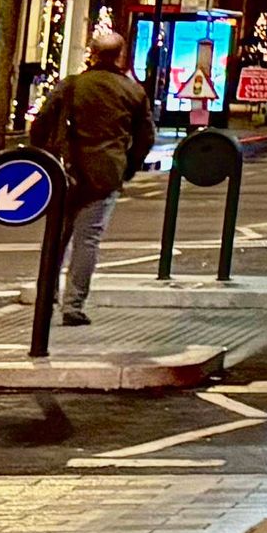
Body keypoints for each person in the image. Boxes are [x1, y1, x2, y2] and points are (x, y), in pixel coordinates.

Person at [30, 24, 157, 328]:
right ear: (120, 56)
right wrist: (128, 166)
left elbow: (41, 124)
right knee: (87, 240)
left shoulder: (70, 85)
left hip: (64, 172)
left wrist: (42, 158)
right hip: (106, 174)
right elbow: (146, 137)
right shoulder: (133, 91)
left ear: (93, 55)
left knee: (56, 240)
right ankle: (73, 306)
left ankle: (45, 300)